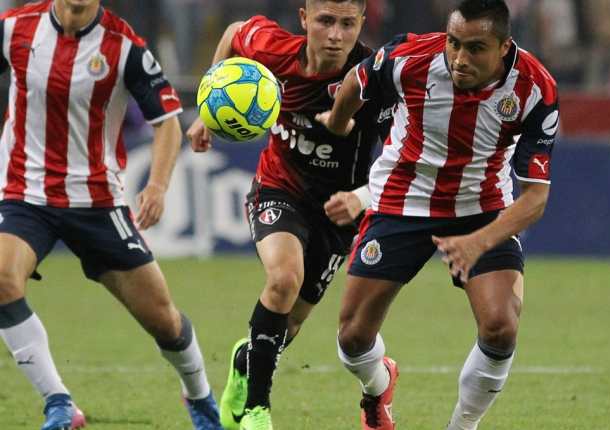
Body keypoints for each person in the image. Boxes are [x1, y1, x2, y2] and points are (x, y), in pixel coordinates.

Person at [318, 0, 559, 428]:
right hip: (402, 200)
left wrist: (479, 242)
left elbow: (535, 199)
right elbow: (356, 82)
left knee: (501, 326)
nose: (460, 58)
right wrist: (338, 124)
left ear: (504, 47)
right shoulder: (409, 58)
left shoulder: (535, 88)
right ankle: (378, 384)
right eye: (454, 43)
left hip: (482, 209)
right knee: (353, 338)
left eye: (475, 48)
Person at [0, 1, 222, 429]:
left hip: (98, 203)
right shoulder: (14, 29)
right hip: (24, 194)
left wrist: (157, 186)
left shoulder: (125, 48)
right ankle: (59, 403)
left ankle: (199, 396)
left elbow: (167, 122)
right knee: (2, 279)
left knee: (164, 321)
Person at [186, 1, 386, 428]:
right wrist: (208, 111)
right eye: (325, 21)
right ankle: (257, 410)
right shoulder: (271, 49)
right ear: (304, 19)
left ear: (361, 23)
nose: (335, 35)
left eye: (347, 24)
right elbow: (234, 32)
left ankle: (244, 362)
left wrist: (362, 197)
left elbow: (403, 155)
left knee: (288, 325)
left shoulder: (376, 79)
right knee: (283, 279)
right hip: (279, 188)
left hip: (338, 211)